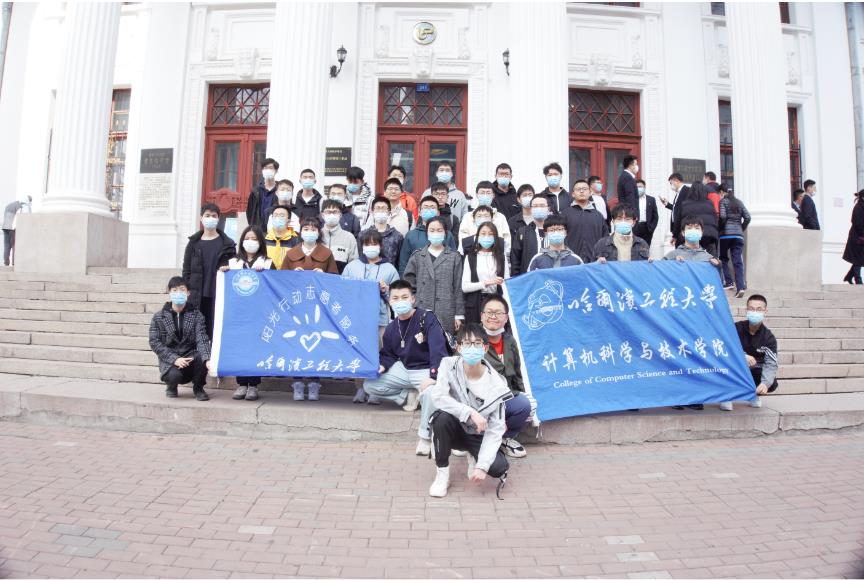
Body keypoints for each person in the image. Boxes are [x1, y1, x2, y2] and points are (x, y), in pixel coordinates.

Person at [363, 280, 449, 455]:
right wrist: (382, 366)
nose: (400, 301)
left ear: (412, 299)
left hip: (426, 369)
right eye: (395, 298)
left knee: (431, 394)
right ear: (390, 301)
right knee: (369, 385)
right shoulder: (391, 328)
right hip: (404, 369)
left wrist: (434, 376)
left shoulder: (427, 318)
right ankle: (406, 396)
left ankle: (425, 436)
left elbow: (438, 350)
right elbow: (388, 354)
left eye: (404, 297)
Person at [427, 323, 512, 498]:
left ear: (485, 348)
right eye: (467, 343)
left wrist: (482, 466)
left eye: (477, 343)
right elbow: (439, 397)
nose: (472, 348)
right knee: (440, 419)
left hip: (479, 433)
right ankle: (442, 475)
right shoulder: (448, 364)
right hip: (455, 428)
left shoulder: (497, 385)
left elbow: (496, 429)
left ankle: (474, 456)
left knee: (497, 467)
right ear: (458, 348)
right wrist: (469, 412)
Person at [282, 218, 338, 402]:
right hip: (296, 308)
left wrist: (324, 276)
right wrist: (292, 276)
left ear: (319, 232)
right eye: (306, 228)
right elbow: (280, 282)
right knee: (296, 343)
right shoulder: (291, 253)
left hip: (318, 308)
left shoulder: (326, 253)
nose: (310, 231)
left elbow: (335, 281)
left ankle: (314, 383)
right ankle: (297, 382)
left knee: (317, 344)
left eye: (313, 228)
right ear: (300, 231)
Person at [342, 229, 401, 404]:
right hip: (356, 318)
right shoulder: (352, 266)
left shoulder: (389, 269)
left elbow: (397, 298)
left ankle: (376, 389)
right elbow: (342, 291)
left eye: (374, 244)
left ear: (380, 246)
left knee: (379, 353)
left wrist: (386, 290)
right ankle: (360, 388)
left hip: (380, 319)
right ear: (362, 246)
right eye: (367, 244)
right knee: (358, 352)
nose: (371, 247)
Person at [221, 226, 275, 402]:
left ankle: (253, 385)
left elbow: (275, 286)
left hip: (259, 314)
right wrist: (223, 273)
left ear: (260, 242)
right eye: (247, 238)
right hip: (238, 314)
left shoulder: (267, 262)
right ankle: (241, 383)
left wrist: (265, 274)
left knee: (254, 348)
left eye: (254, 239)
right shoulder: (232, 263)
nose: (250, 242)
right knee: (239, 347)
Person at [480, 296, 532, 459]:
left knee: (524, 404)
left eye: (498, 313)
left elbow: (516, 373)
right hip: (478, 400)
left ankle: (504, 439)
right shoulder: (472, 339)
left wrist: (522, 393)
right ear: (482, 316)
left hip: (503, 397)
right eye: (489, 312)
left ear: (506, 318)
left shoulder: (510, 341)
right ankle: (470, 440)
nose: (493, 316)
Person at [148, 276, 212, 401]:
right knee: (173, 376)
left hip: (190, 356)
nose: (178, 293)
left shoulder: (196, 315)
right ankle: (171, 386)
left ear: (188, 293)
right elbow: (154, 342)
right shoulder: (159, 317)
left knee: (202, 356)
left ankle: (198, 388)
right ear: (169, 292)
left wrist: (207, 359)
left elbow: (202, 338)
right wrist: (174, 359)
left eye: (182, 290)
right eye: (175, 290)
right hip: (170, 359)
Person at [403, 216, 465, 337]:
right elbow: (408, 284)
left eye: (439, 230)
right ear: (427, 233)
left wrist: (458, 315)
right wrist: (412, 305)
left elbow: (458, 288)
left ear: (445, 233)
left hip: (446, 310)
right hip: (421, 308)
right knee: (421, 341)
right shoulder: (417, 256)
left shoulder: (454, 257)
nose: (435, 233)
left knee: (444, 341)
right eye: (432, 230)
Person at [182, 203, 236, 339]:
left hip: (218, 294)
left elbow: (233, 268)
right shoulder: (193, 243)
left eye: (213, 216)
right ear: (201, 218)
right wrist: (186, 290)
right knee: (197, 333)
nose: (210, 218)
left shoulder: (228, 244)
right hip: (197, 295)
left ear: (218, 219)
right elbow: (186, 270)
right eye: (207, 215)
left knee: (216, 333)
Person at [719, 294, 779, 411]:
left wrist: (765, 383)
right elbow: (722, 346)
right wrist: (742, 356)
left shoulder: (768, 337)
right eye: (751, 309)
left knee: (771, 383)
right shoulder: (736, 328)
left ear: (765, 311)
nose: (755, 312)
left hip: (754, 370)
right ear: (746, 310)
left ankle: (752, 394)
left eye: (759, 309)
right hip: (733, 368)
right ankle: (727, 395)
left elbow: (771, 363)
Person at [462, 222, 508, 324]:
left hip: (496, 303)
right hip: (475, 304)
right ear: (477, 237)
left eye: (490, 234)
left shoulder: (501, 257)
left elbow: (507, 285)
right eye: (483, 234)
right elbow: (465, 287)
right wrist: (486, 283)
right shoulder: (470, 257)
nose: (486, 237)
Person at [399, 195, 457, 276]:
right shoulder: (411, 235)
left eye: (432, 207)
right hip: (418, 279)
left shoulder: (447, 234)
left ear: (438, 212)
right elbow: (403, 263)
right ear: (419, 212)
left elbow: (455, 260)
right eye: (426, 207)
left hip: (443, 278)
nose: (429, 210)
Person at [561, 179, 608, 263]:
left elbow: (605, 239)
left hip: (594, 262)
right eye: (578, 189)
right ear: (573, 194)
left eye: (585, 189)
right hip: (570, 262)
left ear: (590, 193)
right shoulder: (565, 214)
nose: (581, 191)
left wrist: (601, 255)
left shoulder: (598, 215)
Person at [718, 185, 752, 297]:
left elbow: (723, 217)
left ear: (722, 192)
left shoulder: (723, 201)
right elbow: (748, 217)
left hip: (725, 235)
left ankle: (729, 282)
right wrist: (741, 228)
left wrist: (721, 228)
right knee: (737, 261)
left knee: (723, 258)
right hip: (738, 236)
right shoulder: (739, 202)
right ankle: (740, 287)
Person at [458, 186, 512, 252]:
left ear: (493, 195)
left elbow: (506, 239)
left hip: (496, 253)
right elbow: (462, 238)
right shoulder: (468, 216)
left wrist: (506, 254)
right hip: (471, 253)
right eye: (482, 193)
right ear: (477, 194)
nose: (485, 196)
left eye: (488, 193)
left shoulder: (500, 217)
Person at [676, 182, 719, 256]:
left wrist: (675, 235)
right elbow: (715, 220)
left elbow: (678, 221)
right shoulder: (710, 204)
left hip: (690, 236)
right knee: (710, 258)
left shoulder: (685, 204)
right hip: (708, 236)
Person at [511, 195, 549, 276]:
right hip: (529, 277)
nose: (539, 208)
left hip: (550, 277)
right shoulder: (523, 232)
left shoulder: (556, 231)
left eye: (542, 206)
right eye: (535, 206)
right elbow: (515, 259)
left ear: (548, 208)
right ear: (531, 209)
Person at [361, 196, 404, 266]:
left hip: (390, 271)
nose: (380, 211)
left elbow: (399, 261)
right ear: (372, 211)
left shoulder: (397, 236)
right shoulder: (363, 234)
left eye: (383, 208)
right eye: (378, 208)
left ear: (389, 212)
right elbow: (360, 258)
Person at [320, 199, 358, 274]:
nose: (331, 215)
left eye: (335, 212)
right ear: (322, 215)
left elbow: (354, 264)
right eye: (328, 212)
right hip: (318, 279)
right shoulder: (317, 235)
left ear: (340, 215)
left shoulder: (349, 237)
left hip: (341, 279)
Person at [245, 158, 279, 229]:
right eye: (265, 168)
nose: (268, 170)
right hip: (258, 229)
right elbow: (250, 212)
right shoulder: (255, 191)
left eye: (270, 168)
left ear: (276, 171)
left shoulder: (280, 190)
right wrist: (253, 227)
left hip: (275, 229)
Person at [842, 188, 864, 284]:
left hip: (860, 237)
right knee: (858, 258)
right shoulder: (858, 207)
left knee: (858, 258)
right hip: (857, 237)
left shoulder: (862, 206)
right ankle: (858, 280)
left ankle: (849, 276)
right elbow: (857, 223)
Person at [663, 172, 691, 244]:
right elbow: (677, 209)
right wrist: (668, 204)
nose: (671, 186)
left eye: (671, 183)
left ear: (677, 181)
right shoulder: (678, 193)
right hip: (677, 229)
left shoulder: (687, 191)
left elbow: (684, 210)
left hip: (683, 228)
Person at [3, 195, 30, 266]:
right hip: (12, 228)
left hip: (5, 227)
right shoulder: (20, 206)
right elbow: (23, 217)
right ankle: (14, 263)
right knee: (14, 245)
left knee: (6, 245)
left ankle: (6, 263)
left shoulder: (9, 205)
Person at [633, 179, 659, 246]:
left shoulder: (651, 199)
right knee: (634, 247)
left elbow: (655, 216)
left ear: (644, 188)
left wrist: (651, 228)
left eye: (640, 187)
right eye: (637, 187)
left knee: (646, 247)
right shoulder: (632, 199)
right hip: (635, 227)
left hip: (647, 227)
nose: (639, 188)